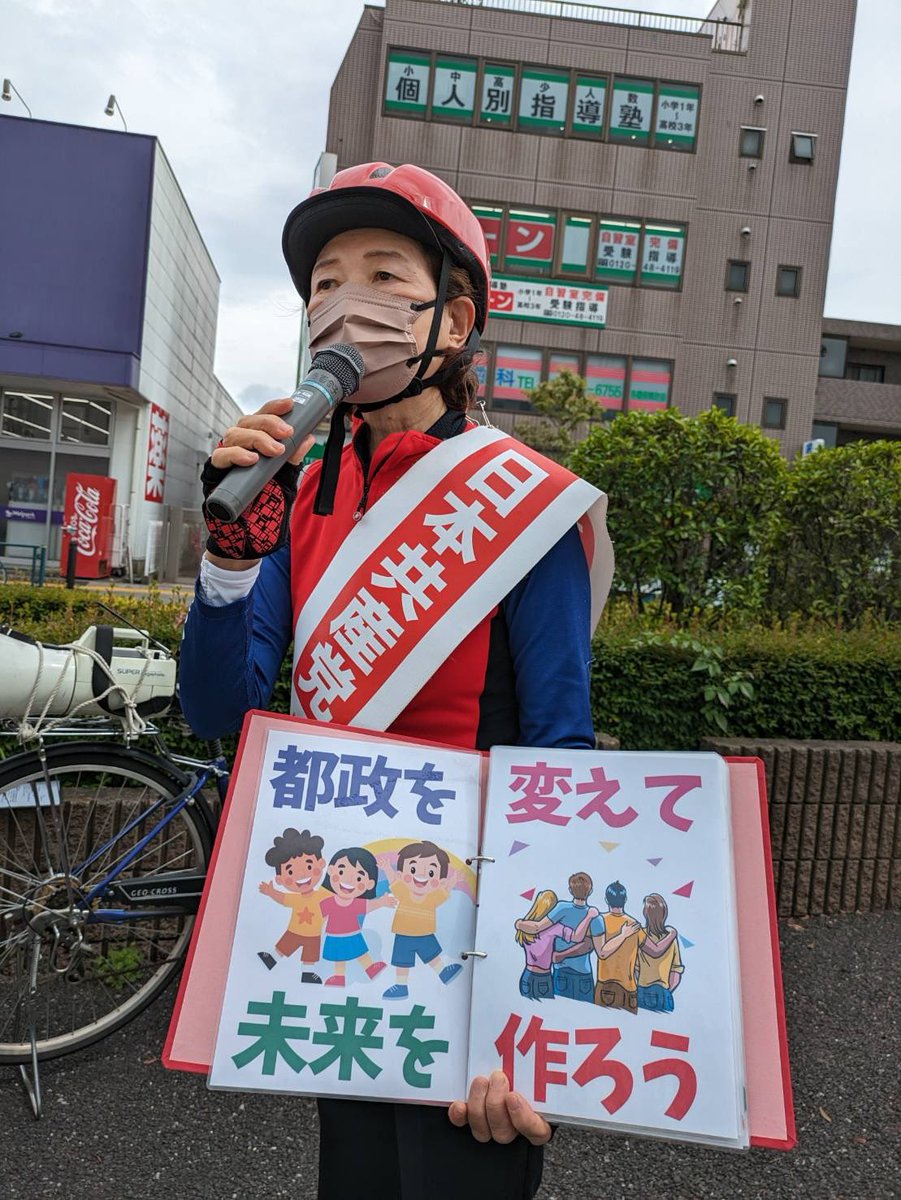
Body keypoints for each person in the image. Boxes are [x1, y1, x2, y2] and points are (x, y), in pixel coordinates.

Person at [179, 161, 611, 1200]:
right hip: (348, 928)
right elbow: (218, 710)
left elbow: (559, 750)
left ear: (451, 321)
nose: (344, 304)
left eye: (381, 275)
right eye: (325, 283)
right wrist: (229, 563)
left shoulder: (521, 504)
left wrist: (533, 1019)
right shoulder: (297, 498)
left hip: (477, 938)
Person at [514, 890, 598, 1001]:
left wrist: (518, 923)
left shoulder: (525, 927)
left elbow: (534, 928)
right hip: (543, 978)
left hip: (526, 976)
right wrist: (588, 917)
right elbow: (577, 937)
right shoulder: (554, 928)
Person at [591, 880, 643, 1013]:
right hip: (630, 989)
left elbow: (601, 953)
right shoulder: (635, 925)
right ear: (625, 900)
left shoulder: (600, 920)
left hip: (606, 986)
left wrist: (623, 935)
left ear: (606, 900)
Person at [635, 892, 683, 1013]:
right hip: (664, 993)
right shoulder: (671, 938)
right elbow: (676, 971)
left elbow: (636, 969)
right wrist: (666, 992)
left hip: (643, 990)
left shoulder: (641, 935)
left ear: (645, 913)